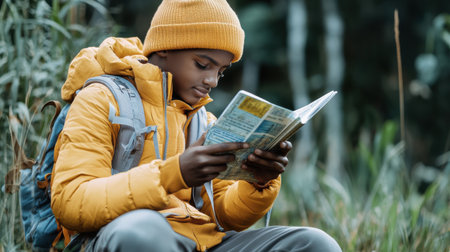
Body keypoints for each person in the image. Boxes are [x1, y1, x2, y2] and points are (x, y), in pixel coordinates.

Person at [51, 0, 342, 251]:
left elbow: (223, 216)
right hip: (122, 239)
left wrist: (259, 181)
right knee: (143, 232)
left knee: (315, 244)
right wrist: (173, 175)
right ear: (165, 49)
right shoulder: (101, 99)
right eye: (203, 65)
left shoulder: (205, 121)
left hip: (201, 243)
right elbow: (71, 201)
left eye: (221, 72)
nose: (212, 81)